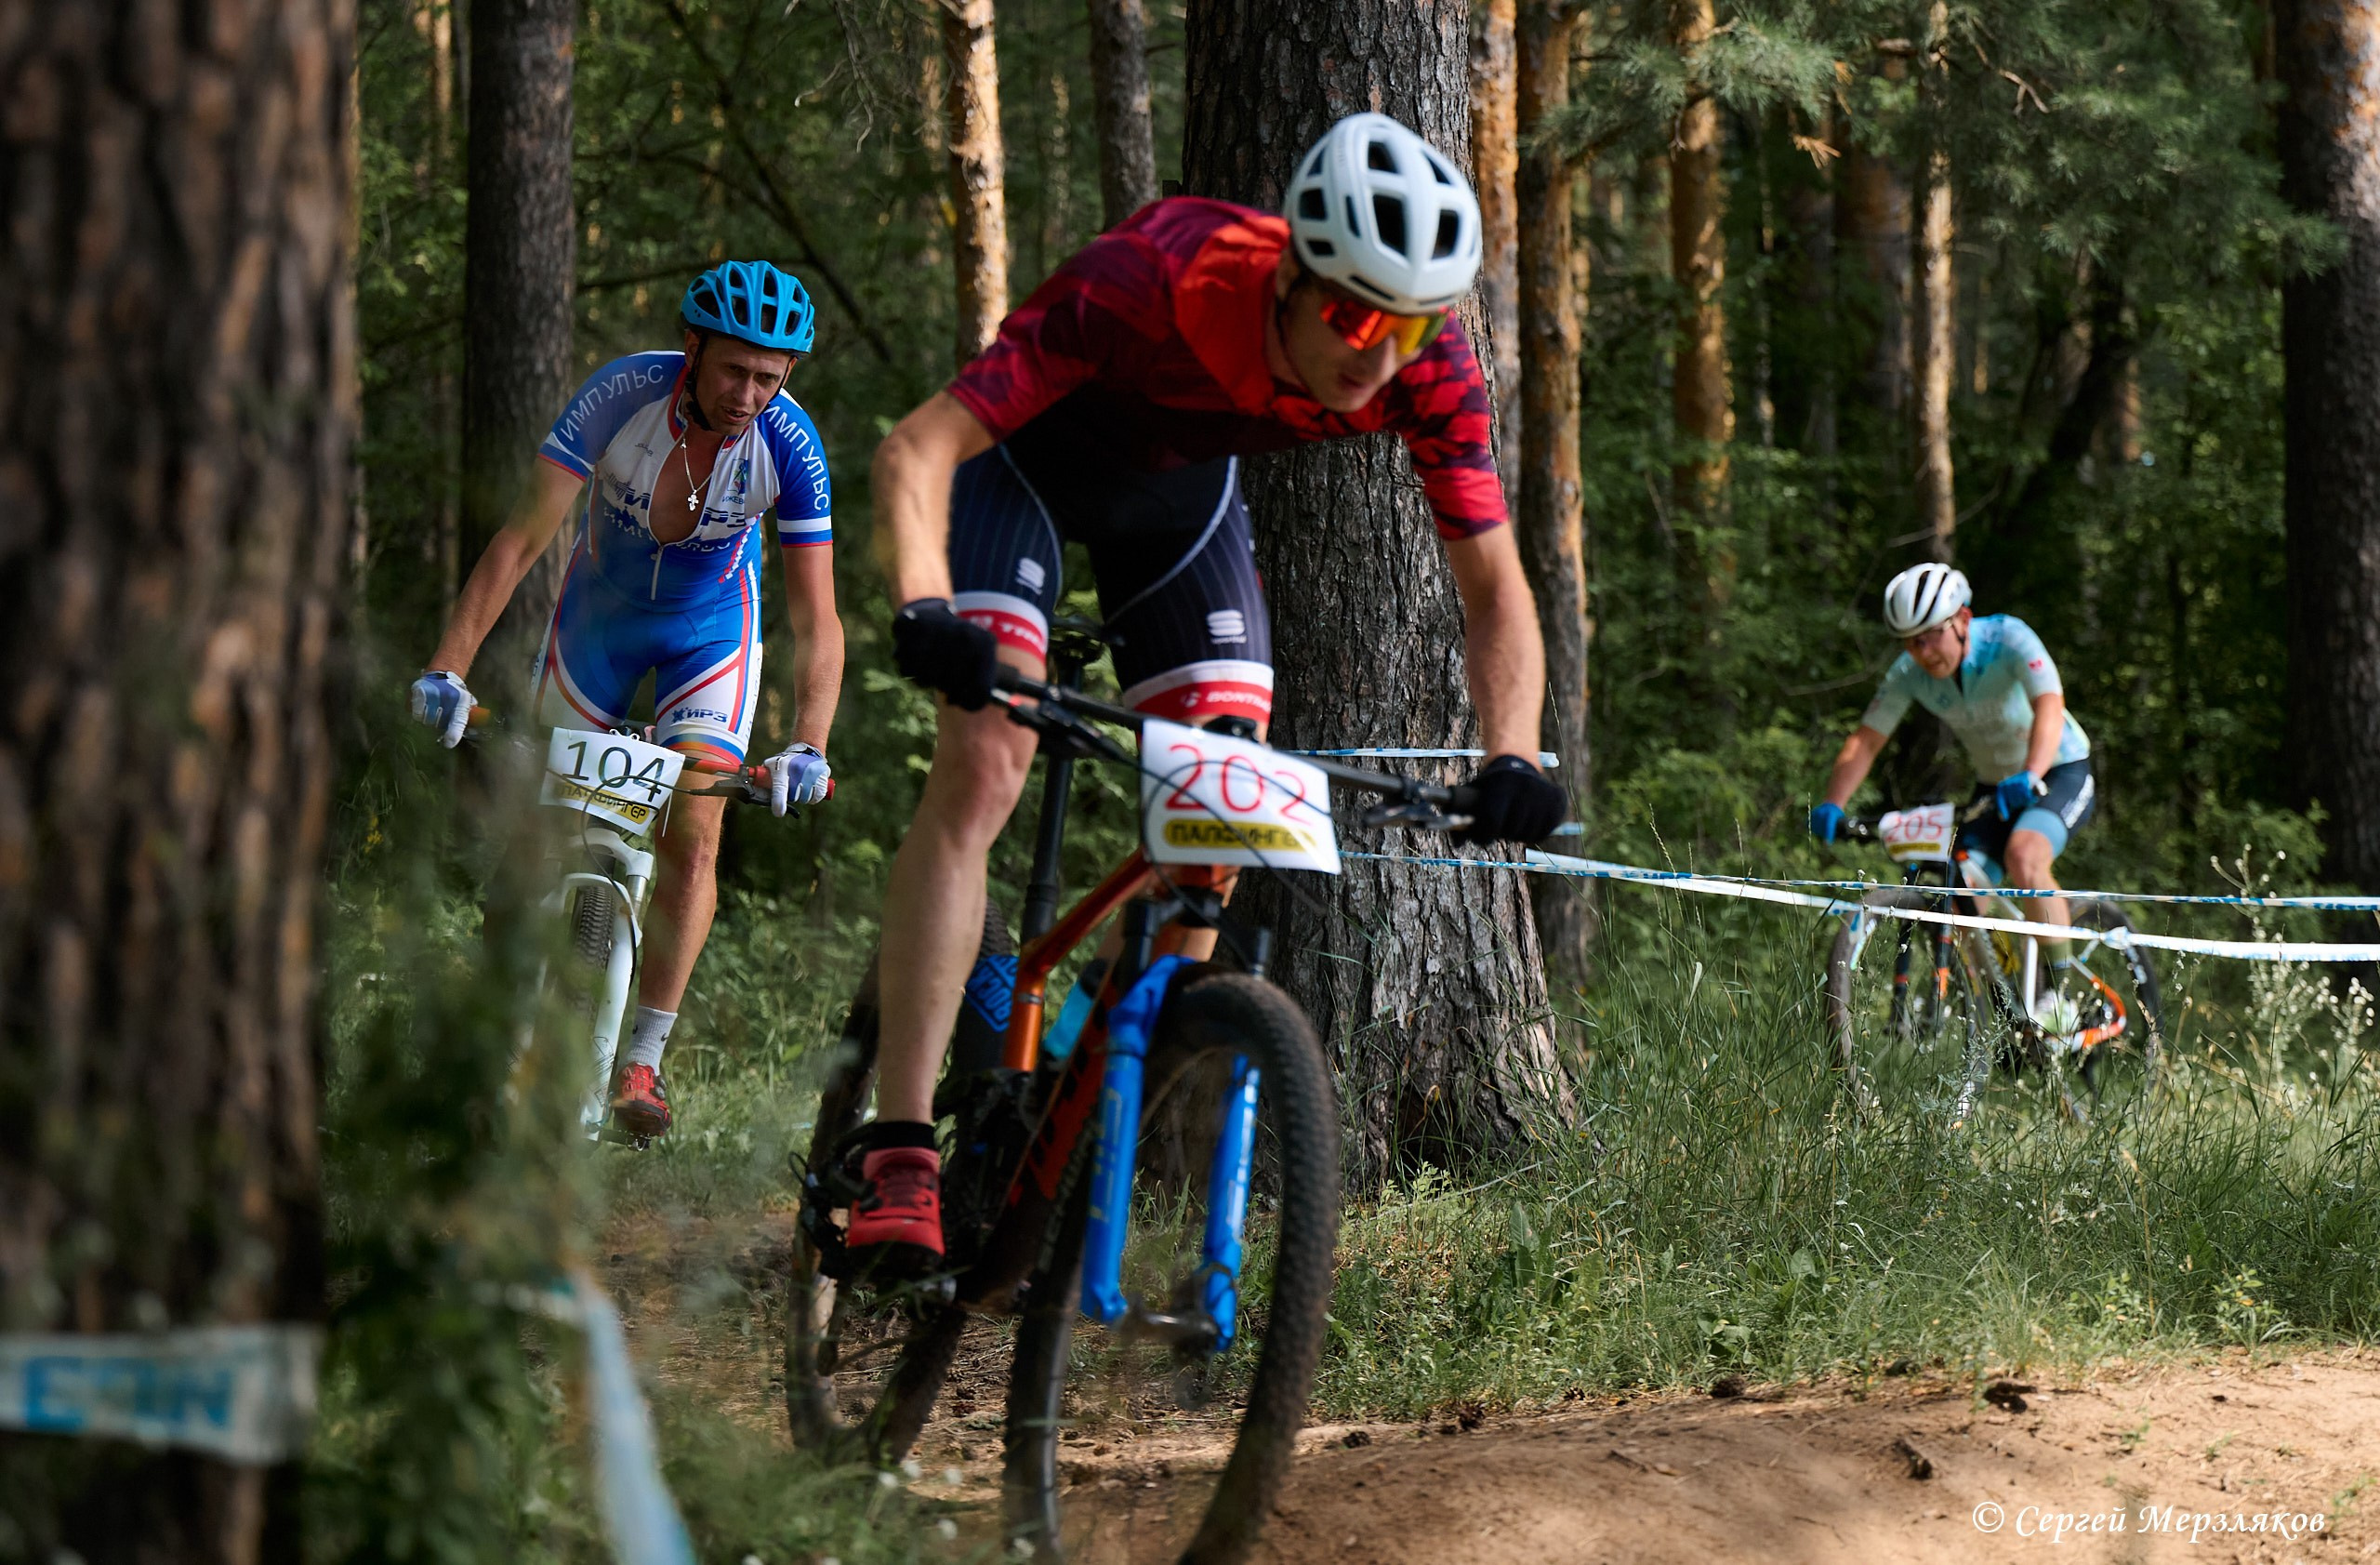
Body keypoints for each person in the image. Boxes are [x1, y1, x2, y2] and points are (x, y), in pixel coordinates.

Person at [851, 113, 1567, 1262]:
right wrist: (926, 606)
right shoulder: (1149, 277)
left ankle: (1081, 1088)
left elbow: (1494, 587)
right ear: (1289, 273)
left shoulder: (1426, 365)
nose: (1379, 355)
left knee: (1215, 822)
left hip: (1176, 514)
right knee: (988, 759)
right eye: (1352, 314)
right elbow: (916, 451)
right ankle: (896, 1154)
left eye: (1413, 322)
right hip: (1021, 474)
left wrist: (1514, 755)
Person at [409, 260, 846, 1140]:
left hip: (711, 628)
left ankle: (640, 1061)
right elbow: (522, 537)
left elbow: (818, 616)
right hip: (598, 620)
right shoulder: (622, 393)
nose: (749, 393)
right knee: (537, 828)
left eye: (770, 376)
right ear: (693, 346)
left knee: (695, 826)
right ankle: (494, 1038)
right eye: (734, 370)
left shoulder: (789, 446)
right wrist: (448, 666)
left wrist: (808, 741)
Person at [1810, 563, 2095, 968]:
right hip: (1995, 786)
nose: (1922, 653)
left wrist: (2032, 771)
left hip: (2058, 769)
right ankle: (2003, 1012)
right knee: (1960, 898)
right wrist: (1833, 800)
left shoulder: (2009, 638)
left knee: (2025, 857)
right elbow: (1867, 739)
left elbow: (2049, 704)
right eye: (1910, 643)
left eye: (1930, 637)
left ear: (1963, 618)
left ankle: (2061, 1001)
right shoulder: (1909, 672)